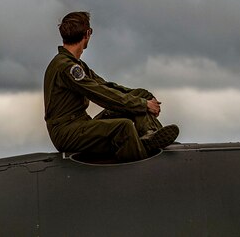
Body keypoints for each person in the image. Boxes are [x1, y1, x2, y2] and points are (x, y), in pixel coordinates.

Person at [43, 11, 179, 161]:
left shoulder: (77, 64)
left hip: (81, 125)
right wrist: (143, 105)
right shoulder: (66, 67)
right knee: (123, 127)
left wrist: (142, 99)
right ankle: (142, 164)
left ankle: (150, 136)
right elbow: (101, 94)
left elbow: (107, 86)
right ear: (87, 33)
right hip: (66, 133)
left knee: (140, 95)